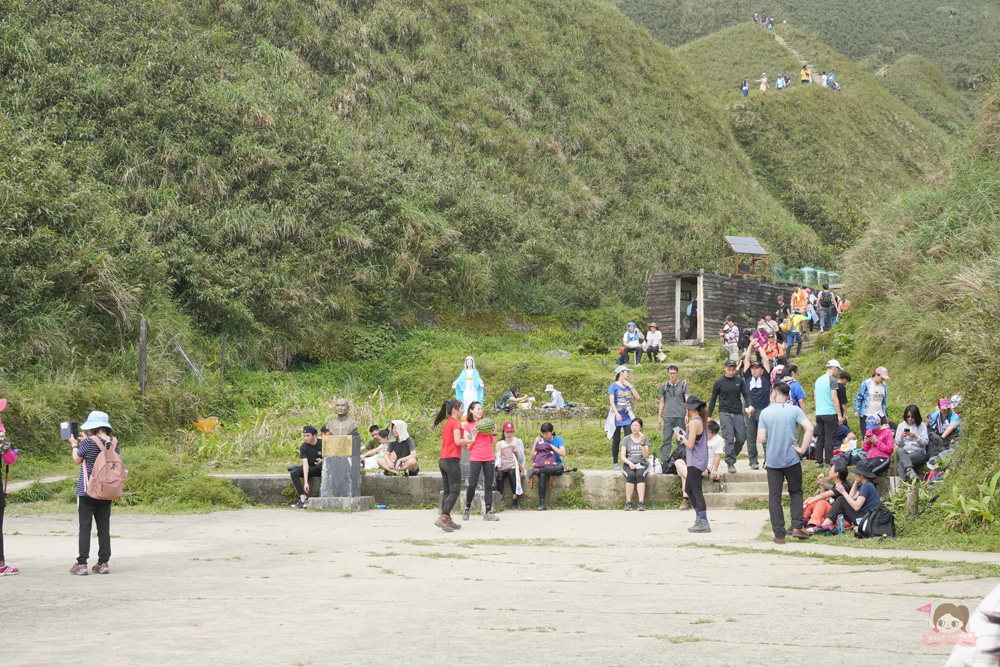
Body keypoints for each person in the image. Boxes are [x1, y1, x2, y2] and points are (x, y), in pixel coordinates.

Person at [757, 382, 813, 544]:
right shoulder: (794, 410)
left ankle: (779, 534)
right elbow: (809, 428)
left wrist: (772, 439)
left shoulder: (765, 412)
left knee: (774, 497)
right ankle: (796, 526)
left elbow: (761, 438)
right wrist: (802, 449)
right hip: (792, 459)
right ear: (788, 395)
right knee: (796, 492)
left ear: (774, 394)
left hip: (773, 461)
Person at [69, 410, 120, 575]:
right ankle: (103, 563)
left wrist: (74, 444)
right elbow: (104, 453)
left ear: (93, 426)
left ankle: (82, 564)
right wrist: (86, 441)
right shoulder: (114, 442)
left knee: (85, 527)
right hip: (106, 490)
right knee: (104, 527)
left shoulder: (88, 442)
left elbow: (77, 459)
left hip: (87, 491)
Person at [432, 399, 475, 532]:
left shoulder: (447, 423)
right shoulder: (456, 422)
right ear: (454, 410)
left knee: (448, 491)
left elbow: (454, 441)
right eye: (461, 408)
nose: (463, 411)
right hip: (451, 461)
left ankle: (447, 518)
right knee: (455, 490)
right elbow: (457, 441)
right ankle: (444, 517)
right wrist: (470, 440)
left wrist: (465, 443)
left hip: (443, 460)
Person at [708, 359, 752, 475]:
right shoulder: (719, 382)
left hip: (738, 412)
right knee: (729, 438)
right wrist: (708, 415)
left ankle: (731, 456)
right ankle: (730, 462)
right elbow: (713, 399)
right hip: (725, 412)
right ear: (724, 369)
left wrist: (750, 405)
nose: (731, 372)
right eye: (729, 370)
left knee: (742, 438)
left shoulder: (739, 381)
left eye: (733, 370)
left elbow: (746, 394)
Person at [819, 458, 882, 529]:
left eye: (855, 473)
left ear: (861, 475)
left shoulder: (866, 486)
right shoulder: (867, 485)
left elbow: (856, 507)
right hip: (867, 517)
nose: (854, 475)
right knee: (842, 500)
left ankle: (824, 526)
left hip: (865, 518)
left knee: (841, 500)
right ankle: (825, 525)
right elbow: (850, 498)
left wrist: (843, 492)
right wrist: (856, 482)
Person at [461, 402, 498, 521]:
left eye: (482, 409)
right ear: (471, 410)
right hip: (475, 457)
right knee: (473, 483)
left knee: (488, 484)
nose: (480, 411)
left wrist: (494, 432)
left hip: (489, 456)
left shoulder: (486, 424)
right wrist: (475, 431)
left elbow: (493, 442)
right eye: (478, 409)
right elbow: (467, 441)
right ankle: (467, 508)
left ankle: (488, 511)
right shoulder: (467, 425)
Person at [680, 396, 711, 533]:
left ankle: (703, 521)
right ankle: (699, 517)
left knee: (696, 490)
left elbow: (690, 445)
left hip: (695, 460)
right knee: (689, 488)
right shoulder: (701, 421)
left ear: (691, 408)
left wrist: (682, 438)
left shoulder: (694, 423)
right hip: (698, 459)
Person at [742, 346, 772, 470]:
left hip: (763, 411)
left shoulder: (765, 378)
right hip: (749, 411)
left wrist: (759, 347)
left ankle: (768, 460)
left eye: (757, 369)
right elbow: (747, 360)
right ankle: (753, 461)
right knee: (750, 437)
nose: (754, 371)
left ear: (761, 370)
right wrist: (750, 346)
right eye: (753, 369)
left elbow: (765, 360)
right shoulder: (748, 378)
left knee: (765, 437)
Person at [803, 461, 852, 532]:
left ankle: (813, 526)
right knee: (811, 499)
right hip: (832, 517)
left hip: (842, 520)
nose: (829, 472)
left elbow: (823, 496)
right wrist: (822, 485)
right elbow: (825, 500)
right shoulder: (836, 486)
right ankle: (799, 522)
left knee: (819, 502)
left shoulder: (843, 486)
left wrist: (807, 503)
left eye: (830, 470)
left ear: (836, 474)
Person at [607, 365, 639, 471]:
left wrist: (630, 386)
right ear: (621, 373)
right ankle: (615, 462)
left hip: (628, 415)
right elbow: (611, 401)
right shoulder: (613, 386)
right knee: (616, 439)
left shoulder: (629, 385)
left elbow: (637, 397)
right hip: (617, 414)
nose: (628, 374)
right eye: (626, 372)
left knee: (628, 438)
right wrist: (617, 414)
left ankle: (628, 462)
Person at [813, 360, 845, 468]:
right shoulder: (832, 380)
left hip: (819, 413)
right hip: (830, 413)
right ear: (834, 368)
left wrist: (817, 410)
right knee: (829, 438)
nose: (837, 372)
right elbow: (834, 398)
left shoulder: (818, 380)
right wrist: (839, 415)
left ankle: (818, 461)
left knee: (820, 437)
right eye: (838, 369)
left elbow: (815, 398)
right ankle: (828, 462)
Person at [529, 423, 566, 511]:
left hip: (555, 466)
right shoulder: (540, 440)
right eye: (543, 434)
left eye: (547, 434)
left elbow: (563, 453)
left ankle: (536, 471)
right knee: (542, 474)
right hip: (543, 466)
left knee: (560, 467)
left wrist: (551, 447)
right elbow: (532, 457)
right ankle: (542, 503)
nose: (545, 436)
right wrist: (535, 443)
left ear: (552, 432)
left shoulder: (558, 439)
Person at [657, 365, 690, 463]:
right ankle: (664, 461)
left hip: (679, 417)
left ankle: (680, 459)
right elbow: (662, 402)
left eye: (674, 373)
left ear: (678, 374)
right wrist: (659, 417)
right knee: (666, 438)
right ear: (668, 374)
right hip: (668, 418)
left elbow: (687, 401)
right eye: (670, 373)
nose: (672, 375)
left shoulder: (683, 385)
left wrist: (687, 414)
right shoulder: (664, 386)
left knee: (680, 439)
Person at [290, 426, 323, 508]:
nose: (306, 438)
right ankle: (303, 498)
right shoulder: (303, 447)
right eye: (304, 436)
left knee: (325, 467)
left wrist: (322, 460)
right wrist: (306, 482)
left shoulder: (322, 443)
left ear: (314, 435)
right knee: (294, 472)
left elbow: (331, 458)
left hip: (320, 468)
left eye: (308, 436)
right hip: (310, 468)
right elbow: (305, 465)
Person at [620, 418, 650, 511]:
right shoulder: (626, 439)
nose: (634, 427)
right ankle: (628, 502)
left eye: (636, 426)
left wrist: (642, 443)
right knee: (631, 475)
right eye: (633, 425)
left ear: (641, 427)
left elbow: (645, 455)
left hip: (641, 463)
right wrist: (630, 463)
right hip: (629, 463)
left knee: (640, 475)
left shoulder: (645, 438)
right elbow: (622, 456)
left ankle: (641, 503)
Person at [495, 422, 525, 509]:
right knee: (499, 475)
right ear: (503, 432)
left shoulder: (518, 441)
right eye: (507, 432)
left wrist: (516, 452)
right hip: (503, 466)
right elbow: (498, 459)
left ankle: (515, 498)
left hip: (514, 466)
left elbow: (521, 461)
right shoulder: (500, 444)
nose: (509, 434)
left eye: (511, 432)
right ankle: (500, 497)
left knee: (513, 473)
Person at [895, 405, 928, 481]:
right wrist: (901, 437)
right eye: (908, 416)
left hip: (919, 452)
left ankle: (902, 484)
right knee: (900, 451)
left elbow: (925, 442)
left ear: (916, 416)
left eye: (912, 417)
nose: (910, 419)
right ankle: (909, 470)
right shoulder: (901, 426)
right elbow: (898, 443)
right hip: (906, 451)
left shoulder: (922, 425)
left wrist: (916, 437)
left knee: (902, 461)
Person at [853, 366, 889, 436]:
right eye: (881, 378)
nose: (883, 380)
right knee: (866, 435)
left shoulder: (884, 386)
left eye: (884, 378)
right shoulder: (866, 384)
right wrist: (856, 410)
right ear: (876, 374)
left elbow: (883, 401)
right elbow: (859, 397)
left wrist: (886, 414)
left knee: (884, 433)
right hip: (867, 413)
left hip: (880, 413)